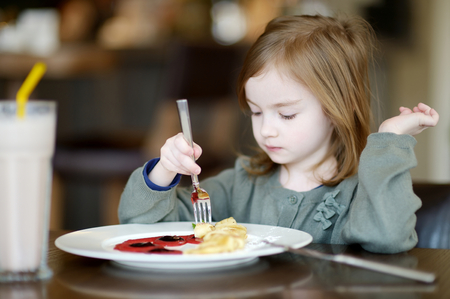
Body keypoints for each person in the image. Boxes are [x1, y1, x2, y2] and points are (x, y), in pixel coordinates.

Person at [118, 15, 439, 253]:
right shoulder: (239, 186)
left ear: (335, 109)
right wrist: (164, 170)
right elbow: (144, 228)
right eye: (256, 112)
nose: (266, 129)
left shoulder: (360, 194)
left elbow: (389, 237)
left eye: (286, 114)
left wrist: (389, 141)